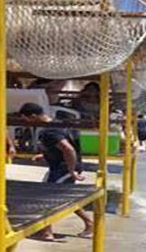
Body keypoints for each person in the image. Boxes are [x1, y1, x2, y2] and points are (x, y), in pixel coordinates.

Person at [19, 102, 93, 239]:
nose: (27, 123)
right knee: (64, 198)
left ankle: (47, 232)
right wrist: (45, 155)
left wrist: (71, 171)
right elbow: (62, 148)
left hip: (63, 169)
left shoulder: (49, 131)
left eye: (26, 120)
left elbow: (68, 149)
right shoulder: (57, 124)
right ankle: (88, 223)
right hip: (62, 167)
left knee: (46, 197)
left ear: (33, 116)